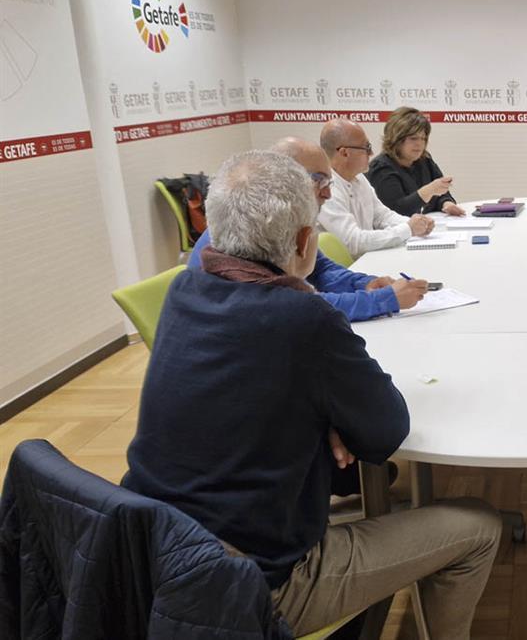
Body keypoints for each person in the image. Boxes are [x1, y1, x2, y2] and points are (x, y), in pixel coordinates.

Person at [123, 150, 501, 638]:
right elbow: (386, 432)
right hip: (247, 587)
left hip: (150, 553)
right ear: (306, 241)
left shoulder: (185, 291)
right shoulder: (303, 318)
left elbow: (250, 392)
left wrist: (321, 417)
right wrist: (335, 416)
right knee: (478, 526)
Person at [187, 137, 426, 321]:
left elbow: (320, 269)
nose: (328, 192)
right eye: (319, 180)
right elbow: (298, 306)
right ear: (283, 178)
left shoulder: (284, 219)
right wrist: (380, 300)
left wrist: (363, 284)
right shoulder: (243, 233)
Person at [318, 118, 435, 259]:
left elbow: (382, 216)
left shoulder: (359, 178)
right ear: (344, 153)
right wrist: (408, 229)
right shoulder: (326, 189)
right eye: (366, 148)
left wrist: (417, 223)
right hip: (348, 270)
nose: (371, 153)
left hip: (367, 259)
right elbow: (354, 242)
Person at [366, 107, 466, 216]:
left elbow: (442, 193)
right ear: (396, 139)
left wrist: (447, 204)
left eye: (423, 138)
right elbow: (396, 211)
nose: (419, 144)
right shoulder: (381, 168)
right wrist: (428, 191)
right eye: (413, 138)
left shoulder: (424, 160)